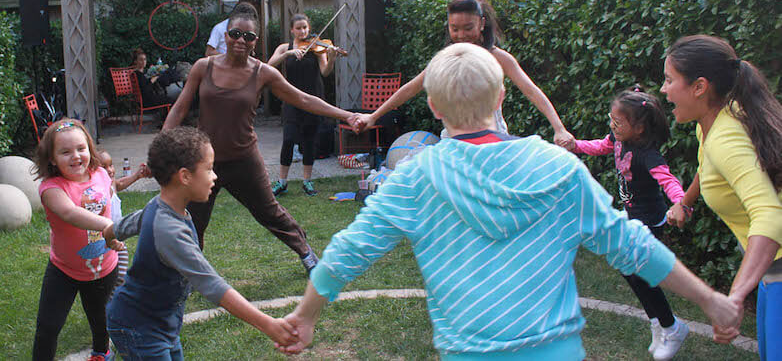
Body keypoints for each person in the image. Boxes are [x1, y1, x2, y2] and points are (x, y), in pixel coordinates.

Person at [277, 43, 742, 359]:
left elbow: (347, 252)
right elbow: (632, 244)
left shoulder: (414, 177)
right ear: (500, 97)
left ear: (434, 109)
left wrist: (306, 314)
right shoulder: (556, 167)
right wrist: (710, 300)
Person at [163, 8, 365, 273]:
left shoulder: (262, 73)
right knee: (194, 219)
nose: (240, 40)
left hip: (244, 159)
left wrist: (347, 115)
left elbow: (303, 99)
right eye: (235, 34)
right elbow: (178, 109)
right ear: (226, 35)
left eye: (248, 36)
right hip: (204, 162)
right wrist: (161, 148)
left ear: (255, 41)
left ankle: (306, 253)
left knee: (269, 212)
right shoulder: (204, 67)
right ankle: (192, 273)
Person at [103, 127, 297, 359]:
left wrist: (109, 235)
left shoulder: (159, 205)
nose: (215, 176)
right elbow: (212, 285)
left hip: (161, 323)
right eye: (209, 169)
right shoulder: (170, 232)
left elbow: (123, 225)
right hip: (138, 326)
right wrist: (268, 324)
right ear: (184, 176)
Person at [660, 34, 782, 358]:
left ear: (699, 87)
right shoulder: (714, 122)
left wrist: (735, 297)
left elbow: (770, 215)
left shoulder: (726, 138)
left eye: (670, 80)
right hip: (773, 272)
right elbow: (708, 165)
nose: (663, 89)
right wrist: (685, 201)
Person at [561, 87, 689, 360]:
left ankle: (671, 326)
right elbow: (601, 146)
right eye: (612, 119)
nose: (612, 125)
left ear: (640, 128)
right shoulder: (619, 140)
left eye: (617, 122)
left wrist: (680, 202)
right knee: (627, 268)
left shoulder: (647, 154)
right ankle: (659, 323)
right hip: (632, 216)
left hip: (649, 221)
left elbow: (667, 180)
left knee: (638, 271)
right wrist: (576, 145)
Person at [356, 0, 574, 146]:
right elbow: (410, 88)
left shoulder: (499, 58)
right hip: (454, 143)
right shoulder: (445, 60)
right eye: (454, 29)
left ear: (481, 24)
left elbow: (531, 91)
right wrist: (373, 116)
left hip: (492, 142)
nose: (461, 35)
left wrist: (559, 128)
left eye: (468, 28)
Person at [31, 119, 124, 361]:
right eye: (65, 152)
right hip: (65, 270)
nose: (76, 156)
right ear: (51, 159)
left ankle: (101, 353)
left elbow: (109, 199)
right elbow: (70, 213)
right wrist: (108, 227)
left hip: (104, 266)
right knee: (48, 326)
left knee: (100, 317)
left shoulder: (101, 174)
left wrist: (114, 231)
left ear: (89, 150)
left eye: (81, 149)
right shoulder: (51, 188)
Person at [267, 13, 339, 196]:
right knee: (289, 139)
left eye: (305, 28)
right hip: (291, 99)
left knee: (309, 141)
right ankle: (282, 182)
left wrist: (331, 58)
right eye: (298, 28)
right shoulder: (285, 47)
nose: (303, 31)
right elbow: (269, 65)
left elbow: (325, 72)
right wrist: (289, 53)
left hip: (313, 98)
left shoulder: (317, 48)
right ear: (292, 30)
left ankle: (307, 181)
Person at [99, 150, 147, 287]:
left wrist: (137, 176)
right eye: (104, 167)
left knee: (120, 275)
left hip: (117, 235)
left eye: (111, 165)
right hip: (102, 240)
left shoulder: (112, 184)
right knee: (106, 276)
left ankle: (117, 294)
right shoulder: (95, 189)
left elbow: (120, 183)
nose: (110, 170)